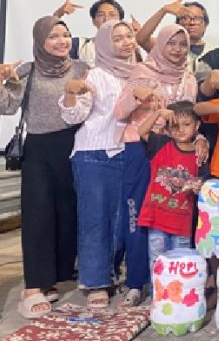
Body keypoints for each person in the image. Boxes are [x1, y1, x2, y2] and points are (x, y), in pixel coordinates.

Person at [0, 16, 88, 318]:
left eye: (65, 35)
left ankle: (57, 275)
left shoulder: (82, 69)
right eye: (53, 36)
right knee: (39, 215)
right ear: (41, 41)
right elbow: (4, 107)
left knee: (69, 213)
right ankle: (33, 287)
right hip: (39, 151)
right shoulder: (28, 70)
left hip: (75, 146)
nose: (61, 41)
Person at [114, 24, 200, 304]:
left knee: (173, 212)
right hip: (141, 147)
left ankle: (172, 281)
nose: (176, 49)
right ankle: (138, 281)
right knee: (139, 213)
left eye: (182, 44)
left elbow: (191, 117)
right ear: (159, 45)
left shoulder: (189, 78)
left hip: (176, 152)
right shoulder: (142, 72)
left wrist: (200, 141)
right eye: (171, 43)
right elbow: (120, 111)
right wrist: (139, 94)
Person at [59, 19, 138, 308]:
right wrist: (70, 94)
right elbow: (73, 116)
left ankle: (112, 274)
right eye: (118, 39)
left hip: (125, 154)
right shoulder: (95, 75)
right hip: (94, 154)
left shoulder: (136, 74)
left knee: (119, 221)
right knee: (96, 221)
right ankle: (95, 283)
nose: (126, 42)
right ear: (105, 44)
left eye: (129, 36)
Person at [137, 101, 203, 273]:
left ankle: (177, 298)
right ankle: (157, 297)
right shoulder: (161, 144)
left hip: (183, 222)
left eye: (186, 124)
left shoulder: (200, 153)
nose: (180, 130)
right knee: (157, 262)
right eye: (174, 125)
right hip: (157, 218)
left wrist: (198, 187)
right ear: (167, 128)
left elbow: (202, 182)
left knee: (180, 264)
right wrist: (158, 112)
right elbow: (142, 131)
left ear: (197, 125)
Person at [136, 0, 216, 75]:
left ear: (205, 24)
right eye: (186, 18)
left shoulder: (214, 52)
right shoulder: (166, 46)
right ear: (178, 24)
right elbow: (141, 39)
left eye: (197, 19)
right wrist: (163, 11)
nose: (191, 23)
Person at [53, 0, 137, 67]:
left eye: (112, 15)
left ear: (120, 21)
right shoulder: (80, 45)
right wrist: (57, 15)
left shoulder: (130, 46)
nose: (106, 19)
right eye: (101, 15)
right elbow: (52, 47)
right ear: (93, 21)